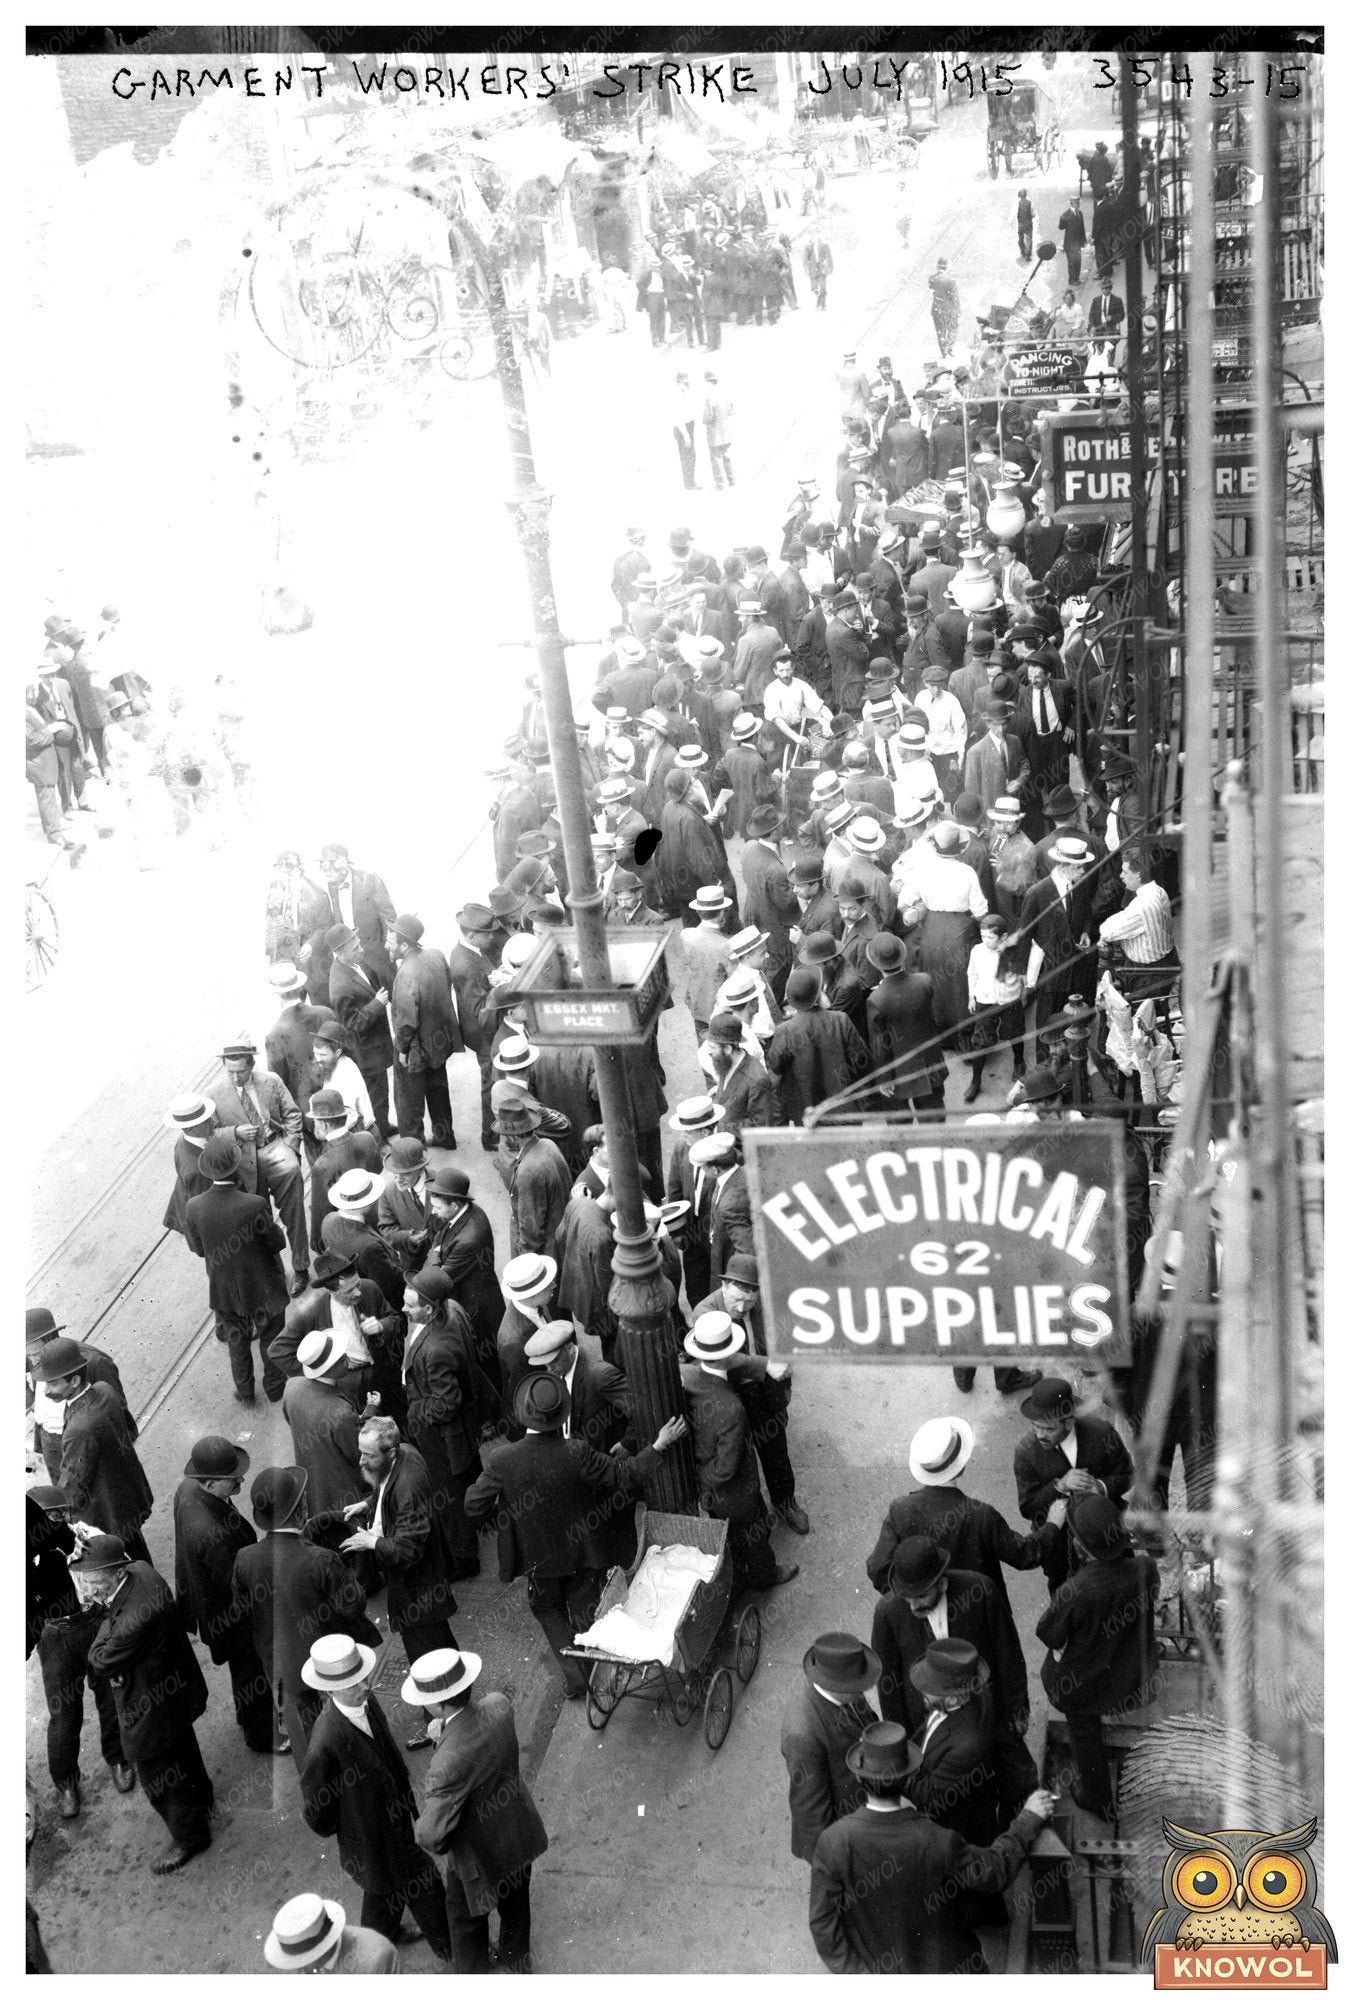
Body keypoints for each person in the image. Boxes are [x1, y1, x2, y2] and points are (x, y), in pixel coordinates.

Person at [465, 1372, 687, 1698]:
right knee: (586, 1613)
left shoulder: (502, 1460)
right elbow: (623, 1475)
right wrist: (658, 1445)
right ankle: (599, 1673)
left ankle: (576, 1680)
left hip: (536, 1558)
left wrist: (507, 1510)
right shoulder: (577, 1452)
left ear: (524, 1414)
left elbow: (473, 1505)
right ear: (560, 1414)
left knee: (548, 1612)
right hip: (583, 1554)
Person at [808, 1719, 1056, 1974]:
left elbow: (822, 1923)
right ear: (908, 1776)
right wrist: (1027, 1820)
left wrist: (857, 1975)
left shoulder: (833, 1841)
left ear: (860, 1778)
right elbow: (993, 1871)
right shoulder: (934, 1839)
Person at [299, 1635, 456, 1963]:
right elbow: (317, 1814)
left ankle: (372, 1947)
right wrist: (356, 1821)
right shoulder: (325, 1743)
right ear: (329, 1690)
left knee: (385, 1892)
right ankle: (455, 1951)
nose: (365, 1687)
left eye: (364, 1678)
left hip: (394, 1828)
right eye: (353, 1683)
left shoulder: (365, 1703)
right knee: (423, 1885)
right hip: (372, 1841)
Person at [81, 1535, 217, 1874]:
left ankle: (191, 1837)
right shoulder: (141, 1570)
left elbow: (99, 1662)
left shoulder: (130, 1623)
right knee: (184, 1750)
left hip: (149, 1708)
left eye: (95, 1584)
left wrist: (103, 1628)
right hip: (174, 1691)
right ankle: (202, 1801)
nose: (89, 1593)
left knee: (159, 1777)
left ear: (115, 1573)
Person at [410, 1648, 550, 1975]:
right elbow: (477, 1747)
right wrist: (444, 1734)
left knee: (465, 1921)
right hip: (517, 1831)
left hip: (477, 1856)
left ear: (439, 1704)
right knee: (516, 1903)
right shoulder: (499, 1705)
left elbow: (431, 1833)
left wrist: (442, 1741)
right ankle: (516, 1959)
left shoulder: (446, 1761)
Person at [232, 1465, 381, 1766]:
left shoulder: (245, 1559)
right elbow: (353, 1605)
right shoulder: (321, 1559)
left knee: (309, 1730)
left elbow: (241, 1612)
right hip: (330, 1664)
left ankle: (322, 1778)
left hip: (284, 1664)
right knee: (349, 1718)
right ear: (299, 1510)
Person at [1037, 1495, 1159, 1817]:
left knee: (1083, 1730)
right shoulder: (1146, 1568)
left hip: (1085, 1688)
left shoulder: (1073, 1591)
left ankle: (1098, 1799)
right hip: (1132, 1676)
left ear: (1080, 1545)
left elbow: (1049, 1634)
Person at [866, 1417, 1052, 1619]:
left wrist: (916, 1597)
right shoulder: (981, 1515)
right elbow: (1025, 1555)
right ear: (961, 1466)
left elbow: (877, 1568)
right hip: (977, 1616)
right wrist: (1053, 1525)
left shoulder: (899, 1510)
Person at [28, 1484, 134, 1821]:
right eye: (50, 1516)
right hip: (55, 1638)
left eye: (61, 1514)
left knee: (109, 1693)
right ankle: (67, 1784)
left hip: (92, 1624)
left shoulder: (87, 1538)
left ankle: (118, 1759)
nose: (58, 1521)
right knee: (64, 1714)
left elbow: (119, 1567)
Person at [340, 1417, 460, 1703]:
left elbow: (407, 1550)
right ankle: (455, 1695)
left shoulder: (408, 1487)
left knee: (425, 1658)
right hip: (426, 1587)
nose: (360, 1462)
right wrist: (369, 1503)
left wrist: (372, 1542)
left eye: (368, 1456)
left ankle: (439, 1714)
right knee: (440, 1643)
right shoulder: (405, 1452)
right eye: (361, 1452)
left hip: (417, 1592)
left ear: (389, 1452)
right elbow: (386, 1487)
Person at [173, 1436, 280, 1755]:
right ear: (208, 1482)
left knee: (243, 1669)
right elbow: (237, 1580)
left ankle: (246, 1715)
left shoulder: (188, 1489)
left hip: (211, 1604)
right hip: (231, 1613)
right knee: (252, 1671)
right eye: (232, 1479)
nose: (241, 1481)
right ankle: (260, 1735)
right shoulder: (210, 1533)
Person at [680, 1313, 798, 1594]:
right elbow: (727, 1466)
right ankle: (764, 1575)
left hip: (713, 1495)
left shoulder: (689, 1379)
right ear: (728, 1354)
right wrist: (703, 1478)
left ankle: (739, 1572)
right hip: (736, 1492)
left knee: (730, 1535)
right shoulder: (731, 1408)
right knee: (754, 1531)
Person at [184, 1133, 291, 1404]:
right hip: (263, 1284)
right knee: (271, 1335)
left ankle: (245, 1391)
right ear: (236, 1167)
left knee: (237, 1341)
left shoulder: (194, 1206)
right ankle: (275, 1387)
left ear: (207, 1171)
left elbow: (197, 1249)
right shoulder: (254, 1204)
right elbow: (277, 1242)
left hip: (224, 1289)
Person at [397, 1270, 487, 1582]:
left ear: (429, 1309)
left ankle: (464, 1558)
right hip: (464, 1427)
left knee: (448, 1496)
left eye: (410, 1306)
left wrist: (417, 1408)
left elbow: (447, 1403)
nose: (404, 1310)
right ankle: (485, 1512)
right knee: (469, 1472)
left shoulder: (435, 1350)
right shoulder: (452, 1310)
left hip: (443, 1436)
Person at [35, 1337, 154, 1562]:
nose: (46, 1391)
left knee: (121, 1562)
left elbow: (71, 1487)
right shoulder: (104, 1390)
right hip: (126, 1499)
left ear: (75, 1380)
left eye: (53, 1383)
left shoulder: (79, 1429)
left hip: (105, 1513)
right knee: (137, 1551)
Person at [209, 1034, 309, 1292]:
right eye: (230, 1071)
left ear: (251, 1065)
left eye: (240, 1071)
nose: (235, 1077)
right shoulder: (215, 1094)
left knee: (294, 1214)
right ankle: (275, 1272)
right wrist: (235, 1132)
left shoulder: (271, 1081)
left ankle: (301, 1268)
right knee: (259, 1222)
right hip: (244, 1163)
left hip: (276, 1149)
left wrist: (291, 1144)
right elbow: (211, 1133)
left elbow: (292, 1114)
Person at [1014, 1377, 1134, 1592]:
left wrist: (1101, 1487)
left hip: (1106, 1537)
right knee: (1065, 1600)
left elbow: (1127, 1475)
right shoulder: (1026, 1452)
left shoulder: (1102, 1434)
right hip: (1060, 1548)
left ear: (1068, 1422)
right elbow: (1028, 1507)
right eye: (1035, 1427)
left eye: (1048, 1429)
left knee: (1116, 1590)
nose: (1040, 1435)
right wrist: (1059, 1486)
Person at [781, 1631, 880, 1864]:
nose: (864, 1690)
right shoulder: (802, 1734)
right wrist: (831, 1868)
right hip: (843, 1835)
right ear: (839, 1686)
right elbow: (811, 1813)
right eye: (860, 1684)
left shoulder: (846, 1693)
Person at [26, 1305, 136, 1484]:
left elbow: (119, 1414)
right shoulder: (33, 1355)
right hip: (50, 1442)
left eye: (36, 1355)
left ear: (51, 1338)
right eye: (28, 1356)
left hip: (84, 1445)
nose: (32, 1362)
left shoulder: (95, 1362)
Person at [1018, 832, 1100, 1059]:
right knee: (1046, 1027)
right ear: (1063, 865)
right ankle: (1044, 1072)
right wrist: (1021, 973)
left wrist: (1084, 930)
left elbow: (1086, 914)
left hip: (1076, 970)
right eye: (1078, 867)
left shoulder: (1080, 885)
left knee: (1071, 1023)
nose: (1083, 872)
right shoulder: (1038, 893)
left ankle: (1069, 1067)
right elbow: (1023, 934)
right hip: (1050, 972)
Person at [388, 913, 461, 1150]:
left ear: (405, 945)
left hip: (416, 1049)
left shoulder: (406, 974)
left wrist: (402, 1048)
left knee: (409, 1104)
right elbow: (446, 985)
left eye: (392, 939)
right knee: (438, 1092)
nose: (387, 943)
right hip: (438, 1043)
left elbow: (407, 1020)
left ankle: (413, 1152)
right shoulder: (436, 955)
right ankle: (444, 1136)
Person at [765, 966, 871, 1124]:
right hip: (844, 1110)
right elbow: (863, 1059)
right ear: (819, 993)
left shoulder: (785, 1030)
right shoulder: (840, 1020)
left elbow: (775, 1070)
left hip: (807, 1115)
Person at [325, 925, 394, 1142]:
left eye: (359, 943)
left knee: (381, 1093)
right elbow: (352, 1023)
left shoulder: (354, 963)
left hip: (376, 1046)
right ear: (340, 953)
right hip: (366, 1052)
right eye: (355, 948)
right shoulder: (340, 985)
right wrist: (377, 1004)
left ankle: (384, 1126)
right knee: (374, 1097)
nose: (361, 950)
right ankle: (378, 1140)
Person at [302, 844, 397, 1000]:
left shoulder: (369, 879)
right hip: (355, 959)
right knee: (372, 1005)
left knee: (395, 999)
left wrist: (393, 949)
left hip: (379, 956)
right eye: (321, 865)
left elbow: (389, 917)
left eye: (327, 864)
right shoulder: (331, 887)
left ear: (342, 863)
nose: (324, 870)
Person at [965, 912, 1027, 1099]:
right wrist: (971, 997)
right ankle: (975, 1081)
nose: (986, 941)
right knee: (980, 1041)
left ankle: (1019, 1062)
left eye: (990, 937)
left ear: (1003, 937)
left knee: (1014, 1033)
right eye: (983, 936)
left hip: (1009, 1000)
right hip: (985, 1000)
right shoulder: (977, 951)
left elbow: (1024, 975)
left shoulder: (1014, 951)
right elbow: (972, 974)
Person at [264, 1892, 400, 1975]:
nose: (298, 1971)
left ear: (320, 1951)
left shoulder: (373, 1960)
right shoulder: (312, 1966)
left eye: (303, 1962)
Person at [702, 372, 735, 488]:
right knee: (727, 457)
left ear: (708, 382)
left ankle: (720, 483)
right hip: (726, 432)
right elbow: (731, 411)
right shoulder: (725, 395)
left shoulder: (709, 398)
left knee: (716, 459)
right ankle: (732, 480)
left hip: (714, 434)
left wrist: (704, 420)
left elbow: (707, 417)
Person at [671, 370, 700, 490]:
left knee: (691, 455)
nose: (687, 386)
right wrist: (686, 435)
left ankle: (690, 482)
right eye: (685, 384)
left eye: (688, 384)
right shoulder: (677, 395)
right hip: (683, 429)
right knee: (687, 456)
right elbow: (677, 419)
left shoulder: (684, 393)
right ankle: (689, 484)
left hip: (689, 426)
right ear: (679, 383)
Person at [928, 258, 961, 357]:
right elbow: (955, 298)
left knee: (940, 330)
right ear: (947, 267)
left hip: (936, 309)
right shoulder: (951, 280)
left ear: (938, 267)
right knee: (952, 328)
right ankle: (949, 347)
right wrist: (957, 311)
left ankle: (943, 349)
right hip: (949, 308)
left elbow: (932, 290)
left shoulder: (932, 279)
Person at [1059, 193, 1087, 284]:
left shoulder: (1080, 213)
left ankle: (1077, 278)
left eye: (1078, 203)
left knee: (1078, 261)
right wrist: (1063, 220)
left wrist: (1084, 241)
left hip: (1078, 243)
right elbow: (1061, 227)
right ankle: (1072, 280)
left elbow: (1082, 228)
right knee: (1072, 262)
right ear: (1072, 203)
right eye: (1076, 203)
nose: (1078, 204)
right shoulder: (1066, 215)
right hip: (1070, 244)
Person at [804, 230, 833, 310]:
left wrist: (830, 267)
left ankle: (823, 303)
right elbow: (805, 258)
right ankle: (819, 298)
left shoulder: (824, 245)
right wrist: (806, 268)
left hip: (822, 268)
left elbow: (829, 256)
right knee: (814, 288)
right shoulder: (808, 246)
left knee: (823, 287)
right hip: (813, 270)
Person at [1015, 186, 1034, 259]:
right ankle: (1028, 254)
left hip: (1021, 224)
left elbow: (1018, 213)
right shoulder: (1029, 203)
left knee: (1021, 239)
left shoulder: (1020, 203)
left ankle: (1023, 252)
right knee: (1028, 239)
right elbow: (1033, 214)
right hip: (1027, 223)